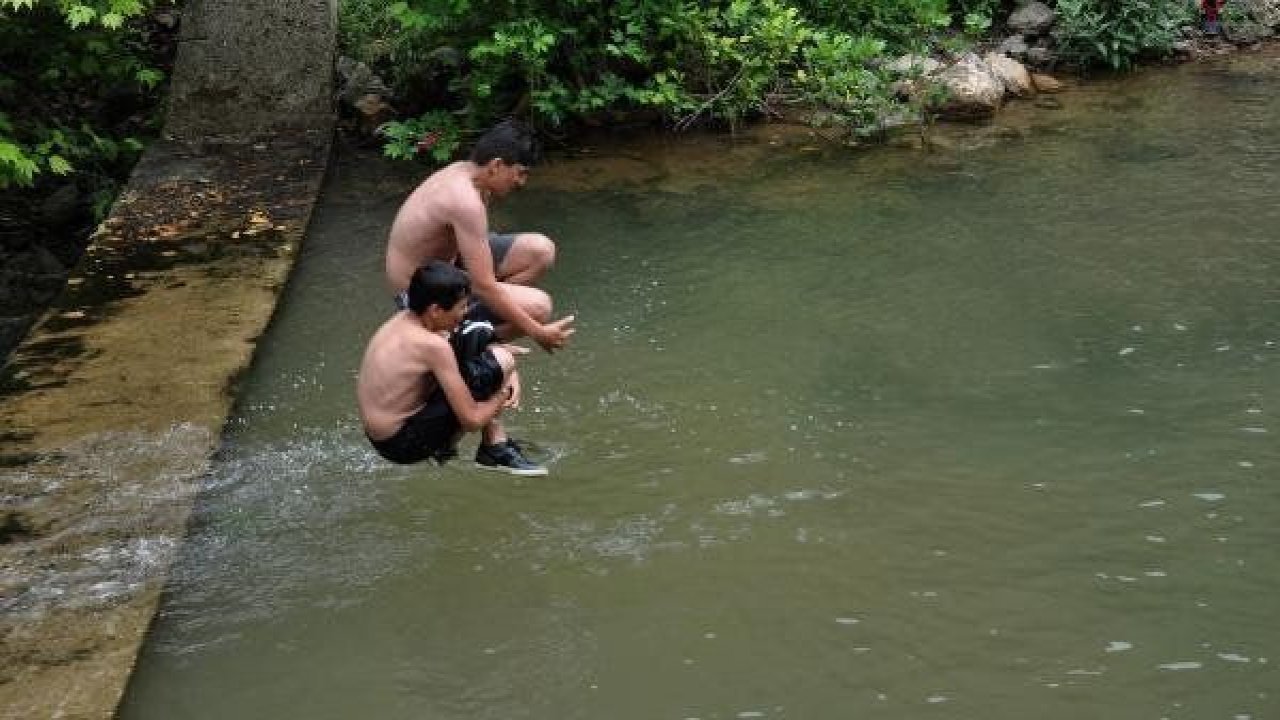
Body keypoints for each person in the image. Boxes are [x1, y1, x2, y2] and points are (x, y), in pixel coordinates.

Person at [385, 118, 575, 353]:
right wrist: (538, 332)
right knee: (539, 307)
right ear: (495, 165)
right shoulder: (465, 201)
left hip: (448, 265)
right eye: (520, 173)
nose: (521, 182)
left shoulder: (467, 172)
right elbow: (483, 286)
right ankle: (471, 343)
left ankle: (475, 323)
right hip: (420, 292)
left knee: (541, 251)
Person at [357, 261, 547, 476]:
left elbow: (463, 341)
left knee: (472, 341)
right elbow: (472, 420)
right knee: (502, 361)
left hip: (381, 435)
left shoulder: (404, 320)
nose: (465, 313)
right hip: (402, 444)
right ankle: (491, 450)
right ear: (436, 310)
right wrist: (503, 394)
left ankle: (465, 445)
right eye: (462, 307)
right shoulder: (432, 346)